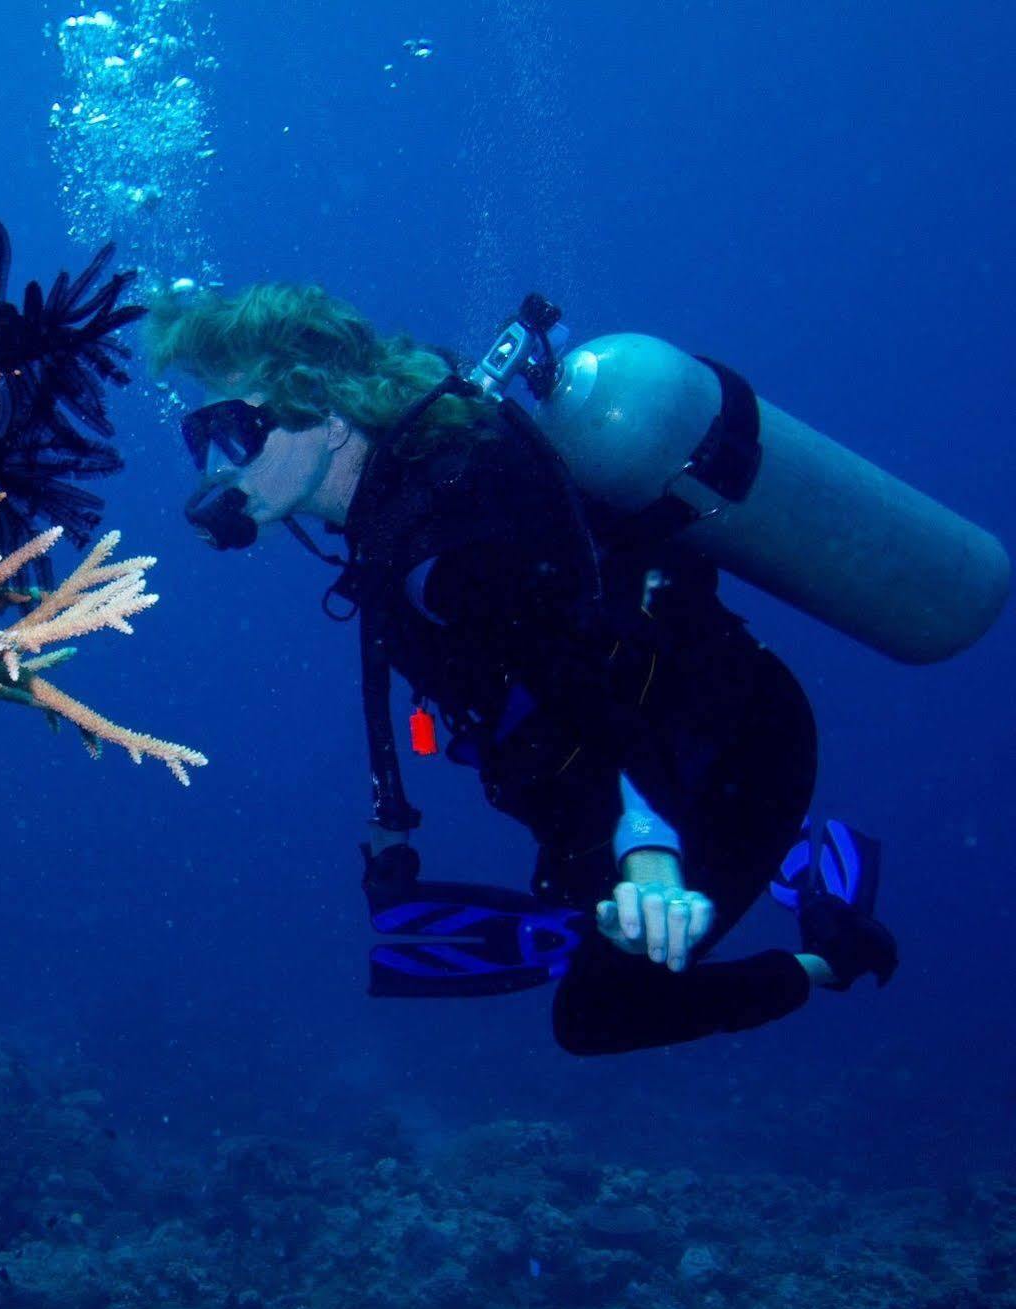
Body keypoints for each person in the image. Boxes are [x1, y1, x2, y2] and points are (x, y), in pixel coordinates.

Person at [149, 283, 899, 1055]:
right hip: (668, 743)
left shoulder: (447, 541)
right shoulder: (398, 505)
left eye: (235, 430)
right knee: (581, 896)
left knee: (599, 1013)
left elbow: (591, 690)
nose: (214, 466)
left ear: (332, 419)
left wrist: (649, 857)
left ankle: (833, 954)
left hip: (730, 754)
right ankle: (780, 858)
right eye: (197, 433)